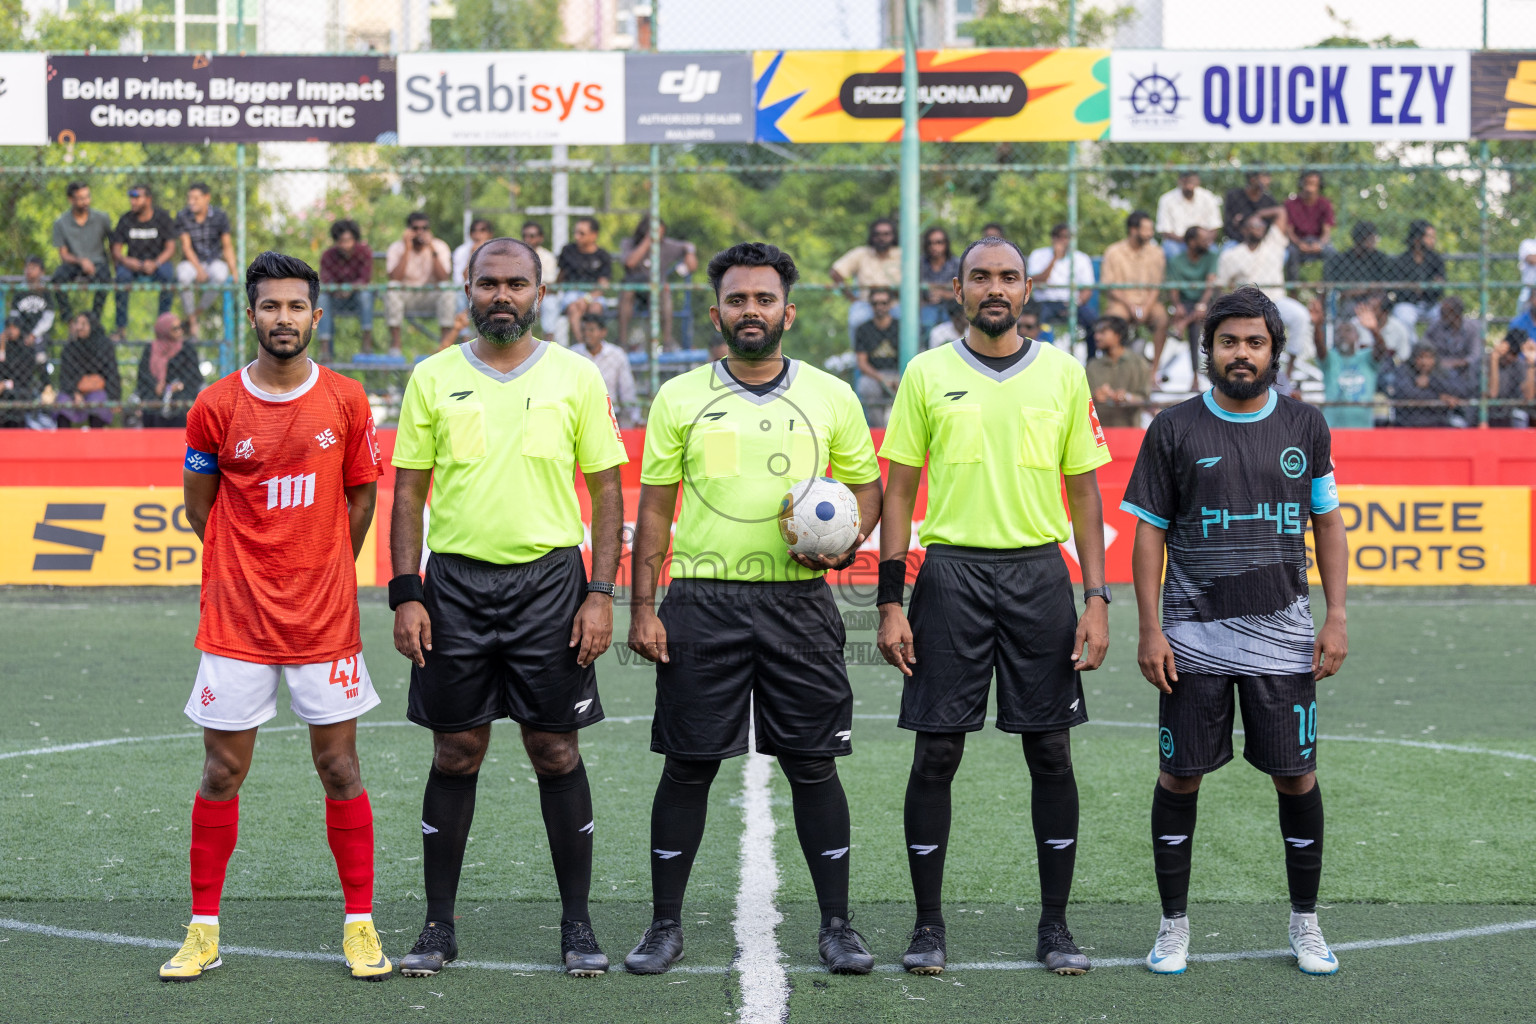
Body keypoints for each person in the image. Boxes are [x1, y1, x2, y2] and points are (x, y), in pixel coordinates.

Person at [624, 241, 883, 977]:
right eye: (737, 299)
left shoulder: (832, 395)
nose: (750, 311)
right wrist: (644, 607)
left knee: (812, 765)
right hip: (701, 603)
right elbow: (654, 508)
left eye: (764, 299)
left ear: (788, 312)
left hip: (798, 602)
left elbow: (868, 488)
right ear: (717, 312)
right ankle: (664, 927)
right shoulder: (679, 396)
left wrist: (844, 543)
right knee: (689, 765)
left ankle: (837, 927)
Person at [389, 236, 627, 979]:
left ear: (539, 291)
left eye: (516, 284)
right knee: (456, 750)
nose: (502, 295)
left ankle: (578, 925)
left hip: (551, 587)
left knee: (554, 749)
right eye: (488, 282)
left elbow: (609, 491)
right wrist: (405, 592)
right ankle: (437, 927)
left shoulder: (577, 376)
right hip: (454, 587)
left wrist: (599, 591)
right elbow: (407, 492)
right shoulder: (431, 377)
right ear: (466, 287)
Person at [876, 236, 1112, 978]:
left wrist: (1096, 597)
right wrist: (890, 599)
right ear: (958, 288)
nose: (995, 288)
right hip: (949, 576)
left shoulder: (1064, 375)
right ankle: (927, 926)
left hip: (1041, 577)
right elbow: (899, 491)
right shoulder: (926, 372)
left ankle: (1055, 927)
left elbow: (1084, 492)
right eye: (981, 277)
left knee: (1050, 751)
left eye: (1008, 276)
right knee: (937, 751)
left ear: (1027, 288)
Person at [159, 251, 388, 983]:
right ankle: (202, 931)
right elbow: (199, 508)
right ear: (250, 315)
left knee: (340, 766)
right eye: (270, 307)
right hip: (237, 619)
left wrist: (322, 565)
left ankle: (359, 925)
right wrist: (245, 565)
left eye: (296, 307)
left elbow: (361, 499)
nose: (283, 318)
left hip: (323, 621)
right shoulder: (216, 406)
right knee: (222, 770)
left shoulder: (348, 400)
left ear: (316, 316)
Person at [1121, 286, 1349, 978]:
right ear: (1209, 349)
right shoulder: (1174, 428)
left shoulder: (1306, 426)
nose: (1241, 354)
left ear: (1274, 350)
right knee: (1180, 776)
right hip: (1192, 642)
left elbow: (1328, 524)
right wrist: (1150, 629)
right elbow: (1148, 533)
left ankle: (1306, 924)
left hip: (1284, 640)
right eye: (1229, 342)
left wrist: (1337, 613)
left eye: (1254, 342)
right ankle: (1173, 926)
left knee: (1296, 776)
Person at [1215, 214, 1312, 365]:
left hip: (1276, 301)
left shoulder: (1273, 246)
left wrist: (1258, 214)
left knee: (1300, 316)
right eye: (1255, 226)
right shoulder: (1231, 255)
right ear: (1245, 230)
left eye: (1262, 226)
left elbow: (1281, 212)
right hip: (1247, 305)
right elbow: (1221, 286)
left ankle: (1290, 370)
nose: (1260, 229)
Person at [1100, 211, 1168, 367]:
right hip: (1121, 303)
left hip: (1148, 303)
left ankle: (1154, 372)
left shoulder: (1156, 253)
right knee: (1114, 320)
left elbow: (1156, 286)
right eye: (1146, 229)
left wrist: (1145, 307)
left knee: (1162, 318)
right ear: (1133, 230)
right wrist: (1130, 305)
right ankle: (1116, 367)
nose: (1150, 233)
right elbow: (1109, 286)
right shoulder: (1113, 252)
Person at [618, 217, 698, 350]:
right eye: (654, 232)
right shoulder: (629, 243)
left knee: (665, 293)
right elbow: (630, 263)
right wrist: (648, 241)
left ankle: (667, 341)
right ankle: (622, 341)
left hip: (656, 290)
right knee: (627, 292)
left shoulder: (666, 245)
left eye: (661, 233)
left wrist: (689, 252)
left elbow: (690, 256)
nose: (658, 237)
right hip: (634, 289)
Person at [110, 183, 178, 340]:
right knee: (121, 278)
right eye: (131, 198)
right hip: (133, 264)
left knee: (168, 277)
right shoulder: (126, 219)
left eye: (137, 198)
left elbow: (170, 248)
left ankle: (164, 327)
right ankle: (121, 328)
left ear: (148, 199)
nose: (133, 202)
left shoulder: (162, 217)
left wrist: (155, 263)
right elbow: (116, 251)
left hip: (157, 263)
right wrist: (132, 263)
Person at [385, 212, 457, 356]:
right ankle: (396, 345)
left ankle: (445, 343)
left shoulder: (439, 246)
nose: (419, 232)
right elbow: (394, 277)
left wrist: (431, 248)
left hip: (430, 296)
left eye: (424, 228)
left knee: (447, 289)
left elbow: (443, 277)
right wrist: (407, 249)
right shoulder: (397, 247)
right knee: (392, 288)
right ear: (408, 230)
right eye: (415, 228)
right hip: (406, 296)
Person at [175, 183, 238, 339]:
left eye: (196, 198)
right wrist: (198, 269)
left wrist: (234, 270)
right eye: (189, 198)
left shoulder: (219, 216)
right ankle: (192, 320)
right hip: (191, 262)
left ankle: (196, 314)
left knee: (221, 275)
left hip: (213, 261)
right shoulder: (183, 216)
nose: (191, 202)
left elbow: (227, 246)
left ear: (207, 198)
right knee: (182, 276)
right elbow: (186, 247)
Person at [830, 218, 902, 344]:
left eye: (886, 234)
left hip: (895, 304)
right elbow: (835, 271)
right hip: (866, 304)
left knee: (909, 322)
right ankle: (858, 359)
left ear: (893, 236)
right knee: (856, 320)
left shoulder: (902, 254)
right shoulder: (861, 253)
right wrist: (852, 297)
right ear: (872, 237)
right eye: (878, 234)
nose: (882, 238)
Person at [51, 181, 113, 322]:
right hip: (74, 263)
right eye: (80, 198)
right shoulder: (61, 223)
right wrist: (81, 261)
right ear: (70, 199)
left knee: (105, 278)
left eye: (87, 197)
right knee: (58, 278)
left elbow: (112, 244)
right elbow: (63, 254)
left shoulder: (102, 218)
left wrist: (114, 263)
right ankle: (68, 319)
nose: (85, 202)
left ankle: (94, 320)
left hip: (97, 262)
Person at [318, 219, 376, 358]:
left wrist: (350, 289)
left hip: (357, 297)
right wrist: (337, 290)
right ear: (336, 241)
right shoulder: (328, 255)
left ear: (355, 239)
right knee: (321, 299)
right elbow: (325, 279)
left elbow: (365, 278)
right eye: (342, 241)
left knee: (365, 295)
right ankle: (325, 349)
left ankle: (367, 342)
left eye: (349, 240)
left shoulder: (364, 252)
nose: (345, 245)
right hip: (335, 298)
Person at [135, 313, 203, 428]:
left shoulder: (187, 349)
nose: (180, 331)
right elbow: (143, 375)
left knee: (181, 408)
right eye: (175, 328)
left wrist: (176, 386)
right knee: (150, 408)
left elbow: (194, 377)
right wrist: (156, 386)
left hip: (181, 394)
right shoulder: (150, 349)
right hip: (155, 394)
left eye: (180, 327)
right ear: (164, 330)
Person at [572, 312, 639, 427]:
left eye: (591, 330)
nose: (587, 334)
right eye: (584, 330)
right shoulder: (573, 354)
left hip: (610, 417)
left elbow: (627, 389)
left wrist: (635, 418)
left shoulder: (617, 355)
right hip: (580, 416)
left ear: (603, 332)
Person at [55, 311, 120, 429]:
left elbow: (112, 373)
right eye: (77, 323)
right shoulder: (70, 347)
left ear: (92, 326)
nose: (79, 327)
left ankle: (95, 442)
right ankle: (63, 442)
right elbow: (65, 376)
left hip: (96, 390)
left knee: (98, 401)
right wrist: (74, 393)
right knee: (62, 402)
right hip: (74, 389)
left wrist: (115, 397)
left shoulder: (104, 346)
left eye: (83, 324)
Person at [1026, 224, 1096, 332]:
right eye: (1059, 237)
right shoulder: (1038, 254)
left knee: (1093, 323)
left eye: (1066, 237)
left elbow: (1087, 289)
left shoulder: (1081, 258)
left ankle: (1092, 350)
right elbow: (1036, 281)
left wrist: (1074, 304)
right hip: (1044, 303)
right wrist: (1054, 258)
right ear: (1053, 238)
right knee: (1031, 323)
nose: (1063, 241)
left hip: (1071, 303)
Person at [555, 216, 614, 341]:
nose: (577, 236)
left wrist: (586, 299)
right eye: (575, 232)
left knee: (596, 308)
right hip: (571, 294)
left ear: (594, 235)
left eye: (582, 233)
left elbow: (603, 285)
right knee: (573, 308)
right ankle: (582, 346)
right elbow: (560, 276)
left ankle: (595, 343)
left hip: (594, 295)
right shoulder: (568, 251)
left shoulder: (603, 256)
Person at [1087, 316, 1151, 428]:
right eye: (1096, 332)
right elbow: (1082, 401)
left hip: (1130, 435)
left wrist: (1127, 397)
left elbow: (1145, 398)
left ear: (1118, 335)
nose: (1096, 336)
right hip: (1100, 437)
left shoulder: (1139, 364)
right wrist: (1094, 397)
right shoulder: (1092, 366)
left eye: (1102, 332)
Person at [1315, 318, 1377, 429]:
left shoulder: (1366, 357)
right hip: (1334, 429)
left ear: (1357, 336)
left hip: (1363, 429)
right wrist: (1317, 326)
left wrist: (1374, 330)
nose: (1342, 335)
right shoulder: (1330, 358)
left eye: (1348, 330)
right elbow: (1319, 346)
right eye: (1338, 332)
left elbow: (1381, 349)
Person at [1387, 344, 1469, 427]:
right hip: (1409, 423)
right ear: (1414, 358)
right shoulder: (1404, 370)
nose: (1424, 362)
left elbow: (1460, 391)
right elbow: (1407, 393)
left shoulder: (1441, 372)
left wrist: (1432, 382)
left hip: (1438, 423)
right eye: (1421, 357)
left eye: (1429, 358)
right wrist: (1439, 398)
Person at [854, 286, 901, 425]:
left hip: (899, 373)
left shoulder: (901, 327)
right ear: (870, 305)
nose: (880, 307)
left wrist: (897, 378)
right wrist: (881, 378)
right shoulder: (863, 329)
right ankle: (879, 431)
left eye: (884, 303)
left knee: (909, 385)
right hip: (875, 375)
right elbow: (862, 363)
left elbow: (912, 359)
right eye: (875, 303)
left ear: (891, 304)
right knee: (865, 386)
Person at [1165, 227, 1219, 348]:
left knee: (1200, 318)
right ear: (1192, 242)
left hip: (1207, 300)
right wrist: (1177, 305)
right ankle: (1195, 367)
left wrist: (1201, 305)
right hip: (1186, 302)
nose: (1208, 243)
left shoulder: (1212, 256)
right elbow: (1173, 287)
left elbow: (1210, 285)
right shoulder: (1176, 261)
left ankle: (1181, 325)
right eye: (1204, 240)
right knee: (1192, 320)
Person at [1324, 222, 1394, 311]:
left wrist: (1368, 290)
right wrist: (1363, 290)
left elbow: (1382, 285)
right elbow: (1340, 291)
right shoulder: (1343, 259)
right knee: (1349, 307)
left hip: (1373, 298)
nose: (1374, 242)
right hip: (1351, 301)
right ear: (1361, 240)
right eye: (1370, 239)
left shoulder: (1379, 258)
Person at [1155, 172, 1223, 261]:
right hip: (1177, 242)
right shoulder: (1166, 199)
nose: (1189, 185)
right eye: (1185, 181)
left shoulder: (1208, 197)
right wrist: (1189, 242)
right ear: (1179, 182)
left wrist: (1201, 241)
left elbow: (1214, 227)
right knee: (1172, 252)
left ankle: (1210, 275)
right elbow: (1165, 230)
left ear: (1198, 182)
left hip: (1202, 242)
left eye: (1192, 181)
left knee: (1214, 253)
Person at [1390, 220, 1446, 328]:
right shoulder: (1402, 260)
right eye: (1429, 237)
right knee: (1404, 317)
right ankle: (1412, 344)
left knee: (1441, 315)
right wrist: (1426, 286)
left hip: (1430, 304)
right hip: (1408, 304)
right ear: (1417, 239)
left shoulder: (1436, 260)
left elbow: (1439, 288)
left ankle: (1433, 345)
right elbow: (1399, 291)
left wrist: (1419, 288)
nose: (1433, 241)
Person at [1282, 171, 1335, 282]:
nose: (1309, 188)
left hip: (1317, 241)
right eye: (1307, 183)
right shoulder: (1290, 204)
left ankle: (1326, 290)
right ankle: (1293, 290)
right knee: (1290, 252)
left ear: (1319, 186)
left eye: (1313, 184)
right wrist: (1299, 243)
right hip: (1297, 242)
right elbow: (1289, 231)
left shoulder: (1325, 204)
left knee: (1332, 252)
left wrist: (1320, 243)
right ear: (1301, 184)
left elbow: (1327, 231)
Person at [0, 315, 45, 427]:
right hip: (4, 386)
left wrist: (5, 384)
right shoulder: (3, 347)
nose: (10, 331)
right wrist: (2, 349)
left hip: (20, 388)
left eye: (14, 327)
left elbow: (21, 377)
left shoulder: (27, 350)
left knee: (11, 397)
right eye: (8, 327)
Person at [1348, 291, 1412, 369]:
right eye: (1368, 307)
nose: (1369, 312)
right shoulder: (1355, 324)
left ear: (1385, 311)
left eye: (1373, 309)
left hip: (1389, 370)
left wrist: (1391, 363)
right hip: (1360, 367)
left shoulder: (1399, 328)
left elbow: (1403, 356)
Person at [1487, 329, 1536, 427]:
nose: (1510, 357)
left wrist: (1531, 363)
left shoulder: (1519, 365)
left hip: (1510, 415)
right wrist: (1494, 358)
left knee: (1520, 417)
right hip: (1488, 413)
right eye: (1509, 352)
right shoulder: (1485, 361)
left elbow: (1529, 396)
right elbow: (1492, 393)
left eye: (1515, 354)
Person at [1423, 295, 1481, 373]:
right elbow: (1424, 346)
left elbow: (1475, 356)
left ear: (1456, 314)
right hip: (1439, 369)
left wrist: (1456, 363)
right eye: (1441, 312)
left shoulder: (1472, 328)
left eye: (1444, 312)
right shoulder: (1436, 326)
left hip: (1465, 370)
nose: (1441, 315)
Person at [1222, 170, 1282, 245]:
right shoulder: (1234, 196)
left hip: (1262, 244)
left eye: (1268, 177)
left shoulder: (1269, 201)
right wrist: (1244, 242)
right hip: (1237, 242)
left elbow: (1271, 228)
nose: (1268, 181)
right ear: (1252, 179)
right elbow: (1228, 226)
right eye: (1264, 177)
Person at [919, 227, 960, 332]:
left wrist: (942, 294)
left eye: (939, 242)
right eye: (930, 243)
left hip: (952, 308)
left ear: (946, 244)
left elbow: (964, 292)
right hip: (926, 306)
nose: (934, 247)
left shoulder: (956, 264)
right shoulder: (920, 263)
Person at [10, 256, 56, 346]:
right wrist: (15, 328)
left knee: (40, 356)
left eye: (33, 267)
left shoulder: (45, 292)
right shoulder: (20, 291)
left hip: (40, 333)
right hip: (21, 332)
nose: (29, 270)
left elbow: (48, 317)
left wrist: (34, 334)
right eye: (27, 267)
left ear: (42, 272)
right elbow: (14, 314)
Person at [520, 221, 560, 286]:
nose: (527, 239)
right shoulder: (516, 256)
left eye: (531, 236)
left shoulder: (548, 257)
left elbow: (550, 280)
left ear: (541, 238)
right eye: (524, 236)